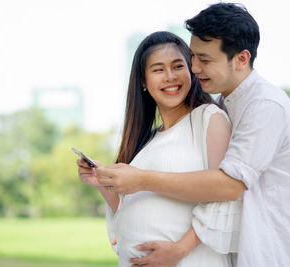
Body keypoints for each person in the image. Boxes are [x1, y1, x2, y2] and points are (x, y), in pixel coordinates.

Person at [96, 3, 290, 267]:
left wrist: (143, 180)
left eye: (204, 60)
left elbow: (229, 185)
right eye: (193, 56)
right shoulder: (230, 104)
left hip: (265, 254)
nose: (194, 68)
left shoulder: (263, 106)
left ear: (241, 59)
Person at [77, 30, 241, 267]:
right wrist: (103, 183)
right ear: (143, 81)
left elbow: (225, 196)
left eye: (177, 66)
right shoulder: (149, 140)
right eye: (158, 69)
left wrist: (178, 251)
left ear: (191, 70)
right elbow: (131, 208)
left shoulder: (209, 118)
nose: (170, 77)